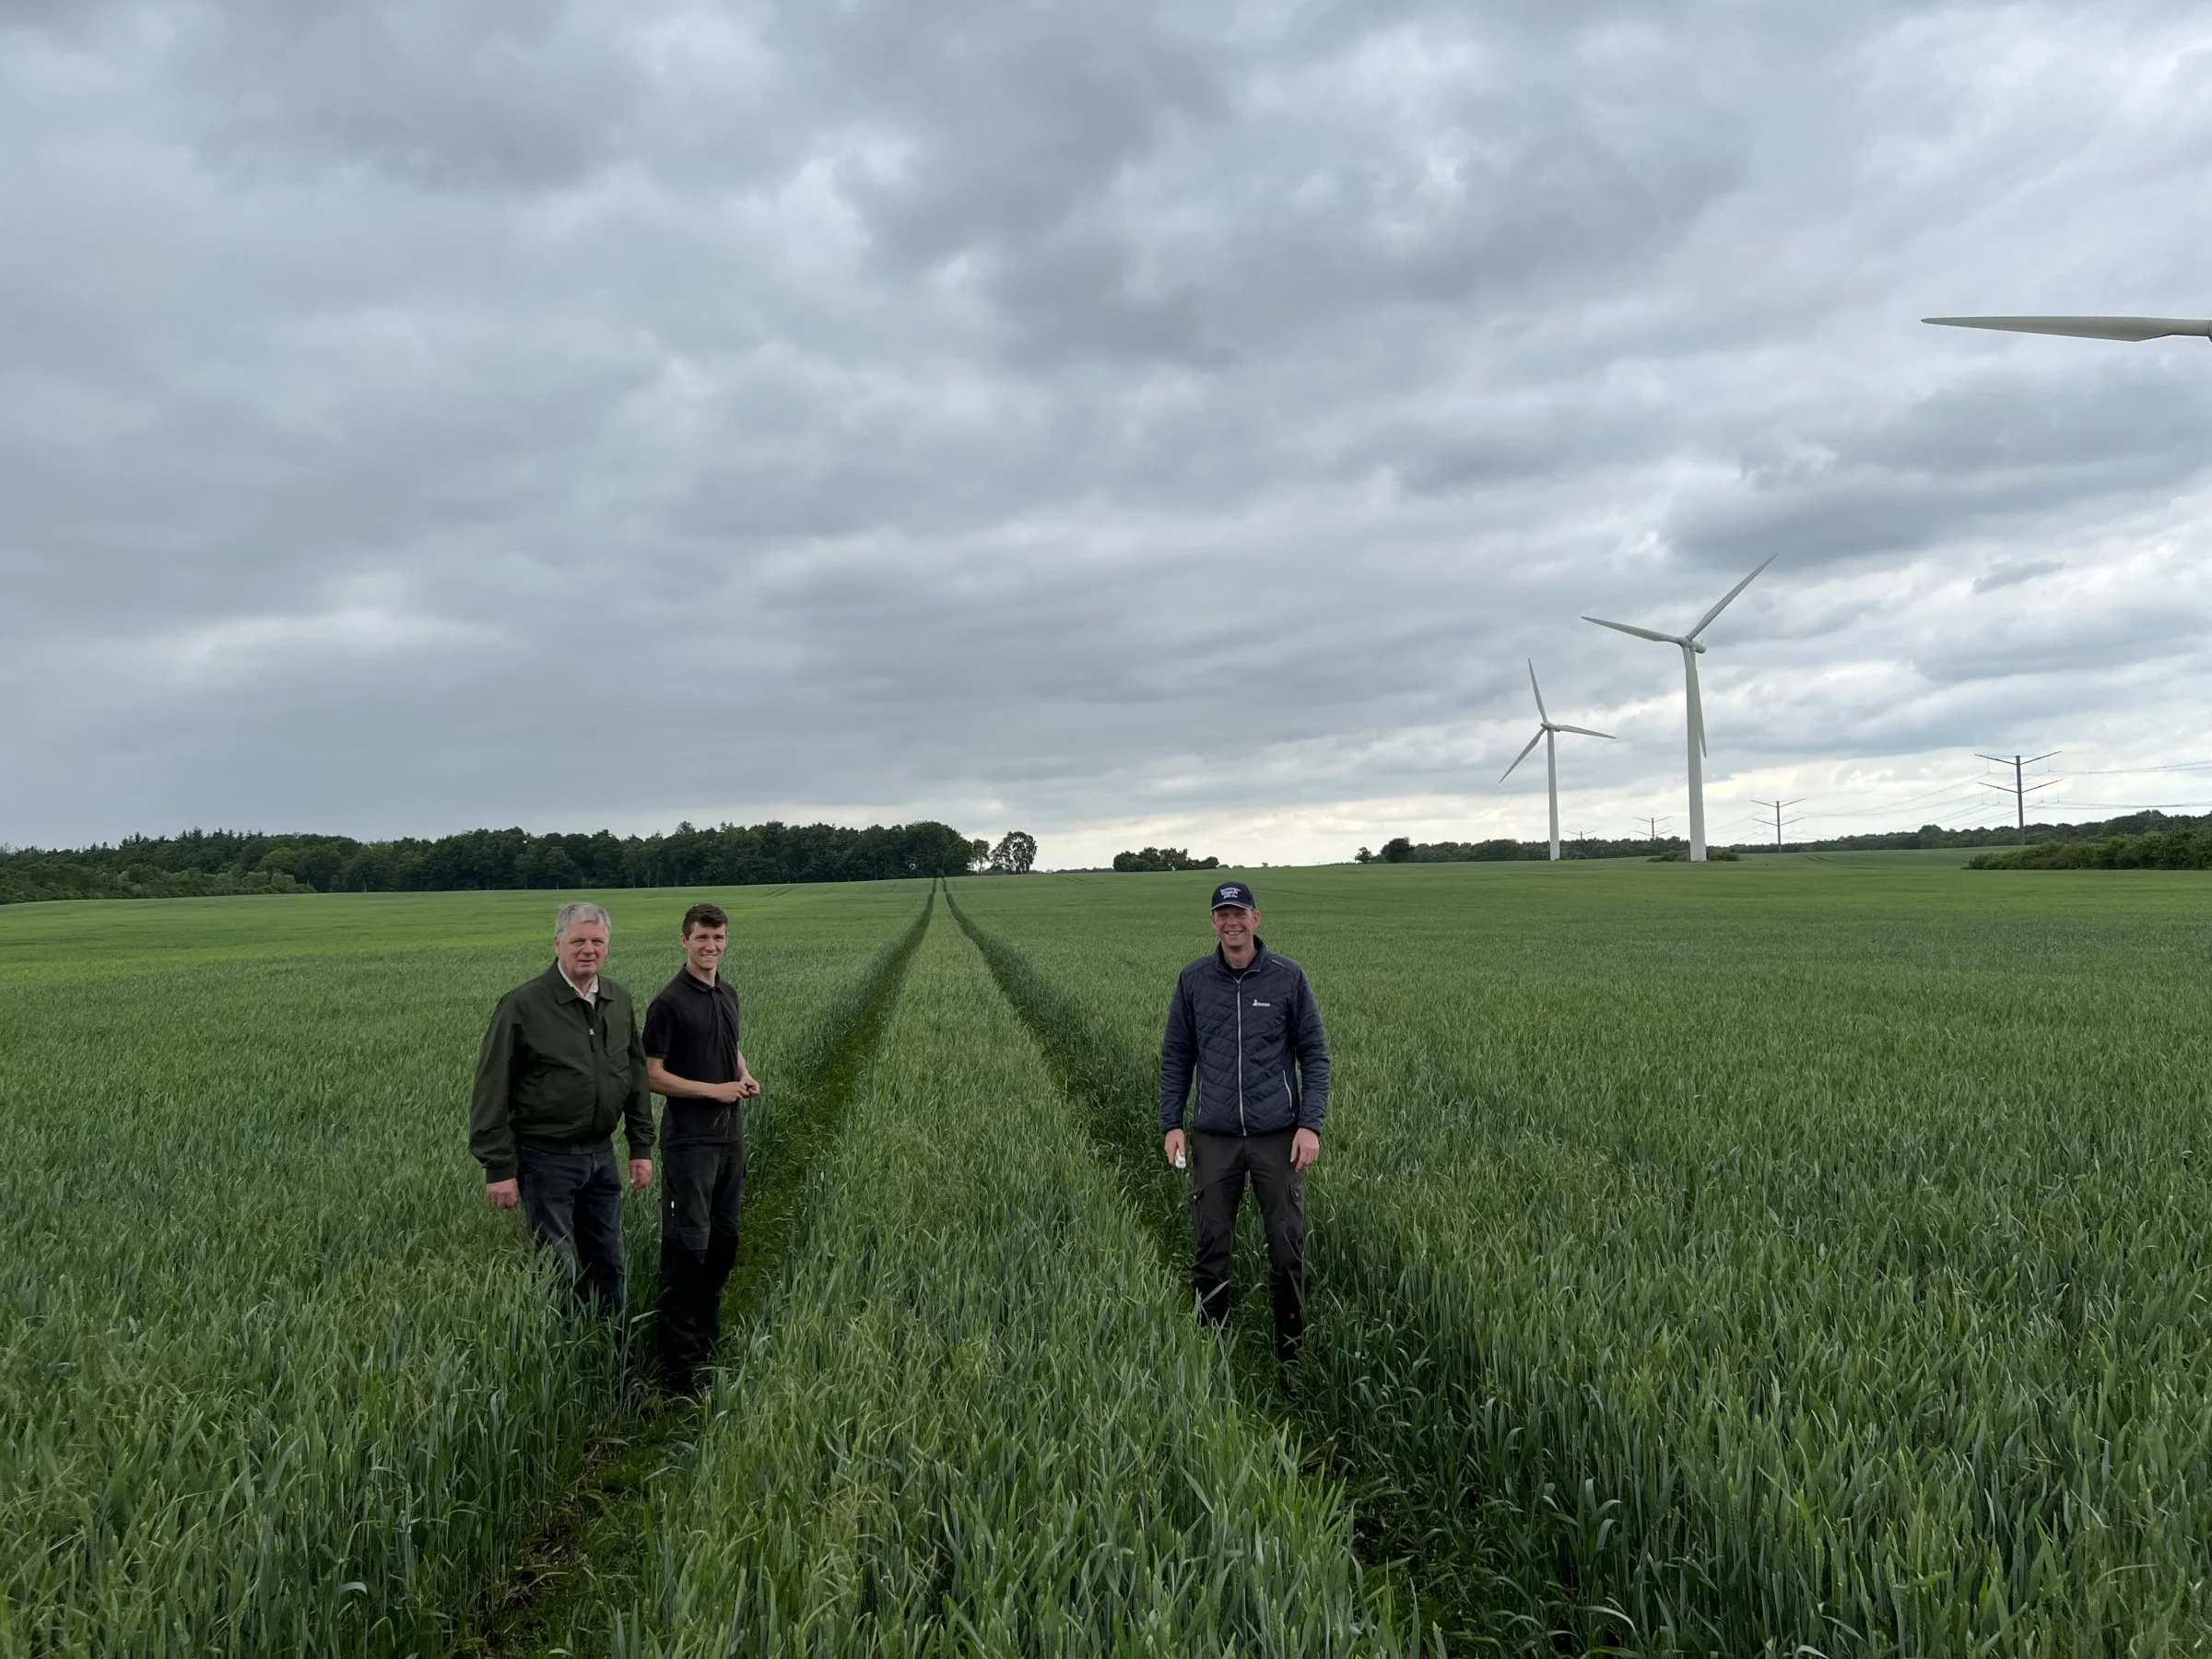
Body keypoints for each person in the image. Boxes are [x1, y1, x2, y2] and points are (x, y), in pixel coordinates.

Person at [1159, 878, 1330, 1368]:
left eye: (1240, 913)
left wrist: (1310, 1125)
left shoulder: (1287, 977)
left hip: (1278, 1136)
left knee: (1286, 1246)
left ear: (1256, 918)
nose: (1231, 922)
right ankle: (1211, 1350)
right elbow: (1176, 1055)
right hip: (1213, 1137)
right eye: (1222, 914)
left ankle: (1291, 1359)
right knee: (1211, 1244)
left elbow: (1315, 1055)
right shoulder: (1194, 980)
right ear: (1213, 921)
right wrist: (1172, 1122)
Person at [470, 901, 654, 1316]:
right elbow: (491, 1086)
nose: (588, 949)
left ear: (608, 946)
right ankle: (564, 1364)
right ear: (557, 944)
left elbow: (635, 1075)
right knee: (558, 1270)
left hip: (601, 1157)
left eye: (597, 941)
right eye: (577, 941)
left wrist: (641, 1146)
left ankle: (614, 1363)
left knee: (610, 1265)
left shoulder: (618, 1000)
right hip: (544, 1158)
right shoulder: (524, 1005)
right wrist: (498, 1167)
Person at [641, 902, 759, 1394]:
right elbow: (651, 1075)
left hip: (729, 1137)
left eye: (719, 938)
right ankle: (680, 1368)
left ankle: (707, 1340)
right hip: (690, 1143)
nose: (711, 947)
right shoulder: (668, 1003)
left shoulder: (726, 992)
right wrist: (713, 1091)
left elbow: (729, 1046)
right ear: (684, 941)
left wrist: (742, 1074)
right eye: (702, 938)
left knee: (724, 1240)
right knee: (688, 1246)